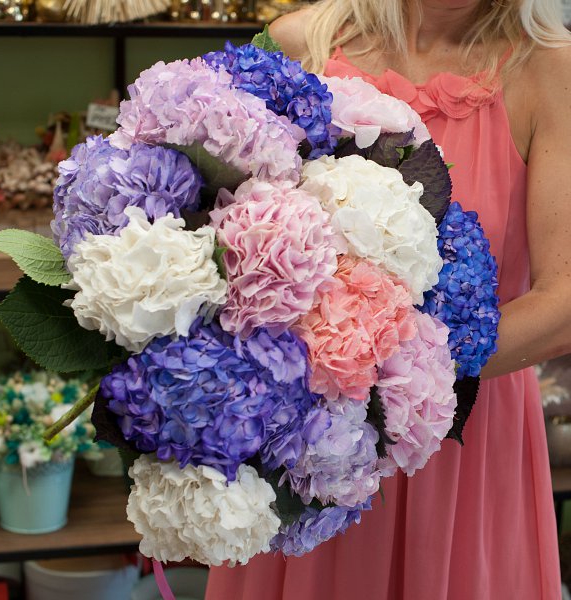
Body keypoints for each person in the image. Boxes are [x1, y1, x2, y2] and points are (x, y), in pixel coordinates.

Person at [205, 1, 571, 598]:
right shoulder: (300, 44)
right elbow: (213, 223)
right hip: (304, 444)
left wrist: (391, 383)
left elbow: (564, 304)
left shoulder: (550, 69)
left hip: (465, 441)